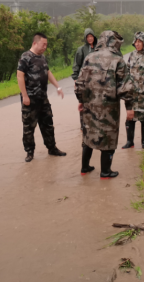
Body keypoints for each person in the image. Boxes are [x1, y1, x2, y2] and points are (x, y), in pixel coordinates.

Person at [74, 30, 134, 178]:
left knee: (88, 136)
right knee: (108, 137)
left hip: (89, 107)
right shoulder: (117, 59)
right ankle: (105, 171)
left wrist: (81, 100)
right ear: (114, 41)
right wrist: (130, 107)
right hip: (109, 109)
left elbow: (79, 83)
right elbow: (125, 88)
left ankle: (85, 167)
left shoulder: (89, 57)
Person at [17, 32, 67, 162]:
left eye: (46, 44)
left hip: (43, 98)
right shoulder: (25, 57)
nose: (45, 47)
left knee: (48, 124)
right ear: (35, 43)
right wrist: (25, 96)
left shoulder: (42, 57)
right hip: (30, 99)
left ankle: (52, 148)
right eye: (43, 44)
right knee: (29, 127)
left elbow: (48, 72)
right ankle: (29, 152)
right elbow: (19, 76)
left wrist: (58, 86)